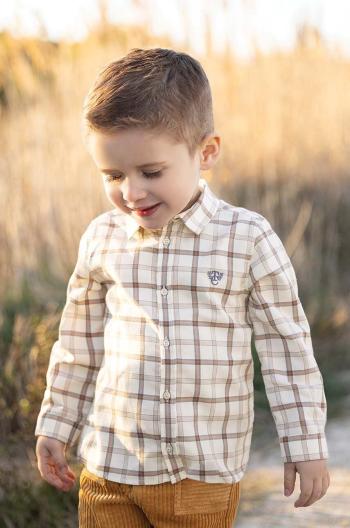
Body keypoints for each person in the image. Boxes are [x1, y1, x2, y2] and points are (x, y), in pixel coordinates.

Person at [35, 47, 330, 527]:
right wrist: (55, 423)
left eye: (151, 172)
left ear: (206, 152)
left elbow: (287, 348)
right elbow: (78, 345)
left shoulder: (247, 239)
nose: (131, 192)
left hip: (201, 476)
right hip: (110, 469)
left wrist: (305, 443)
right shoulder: (102, 238)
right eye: (113, 175)